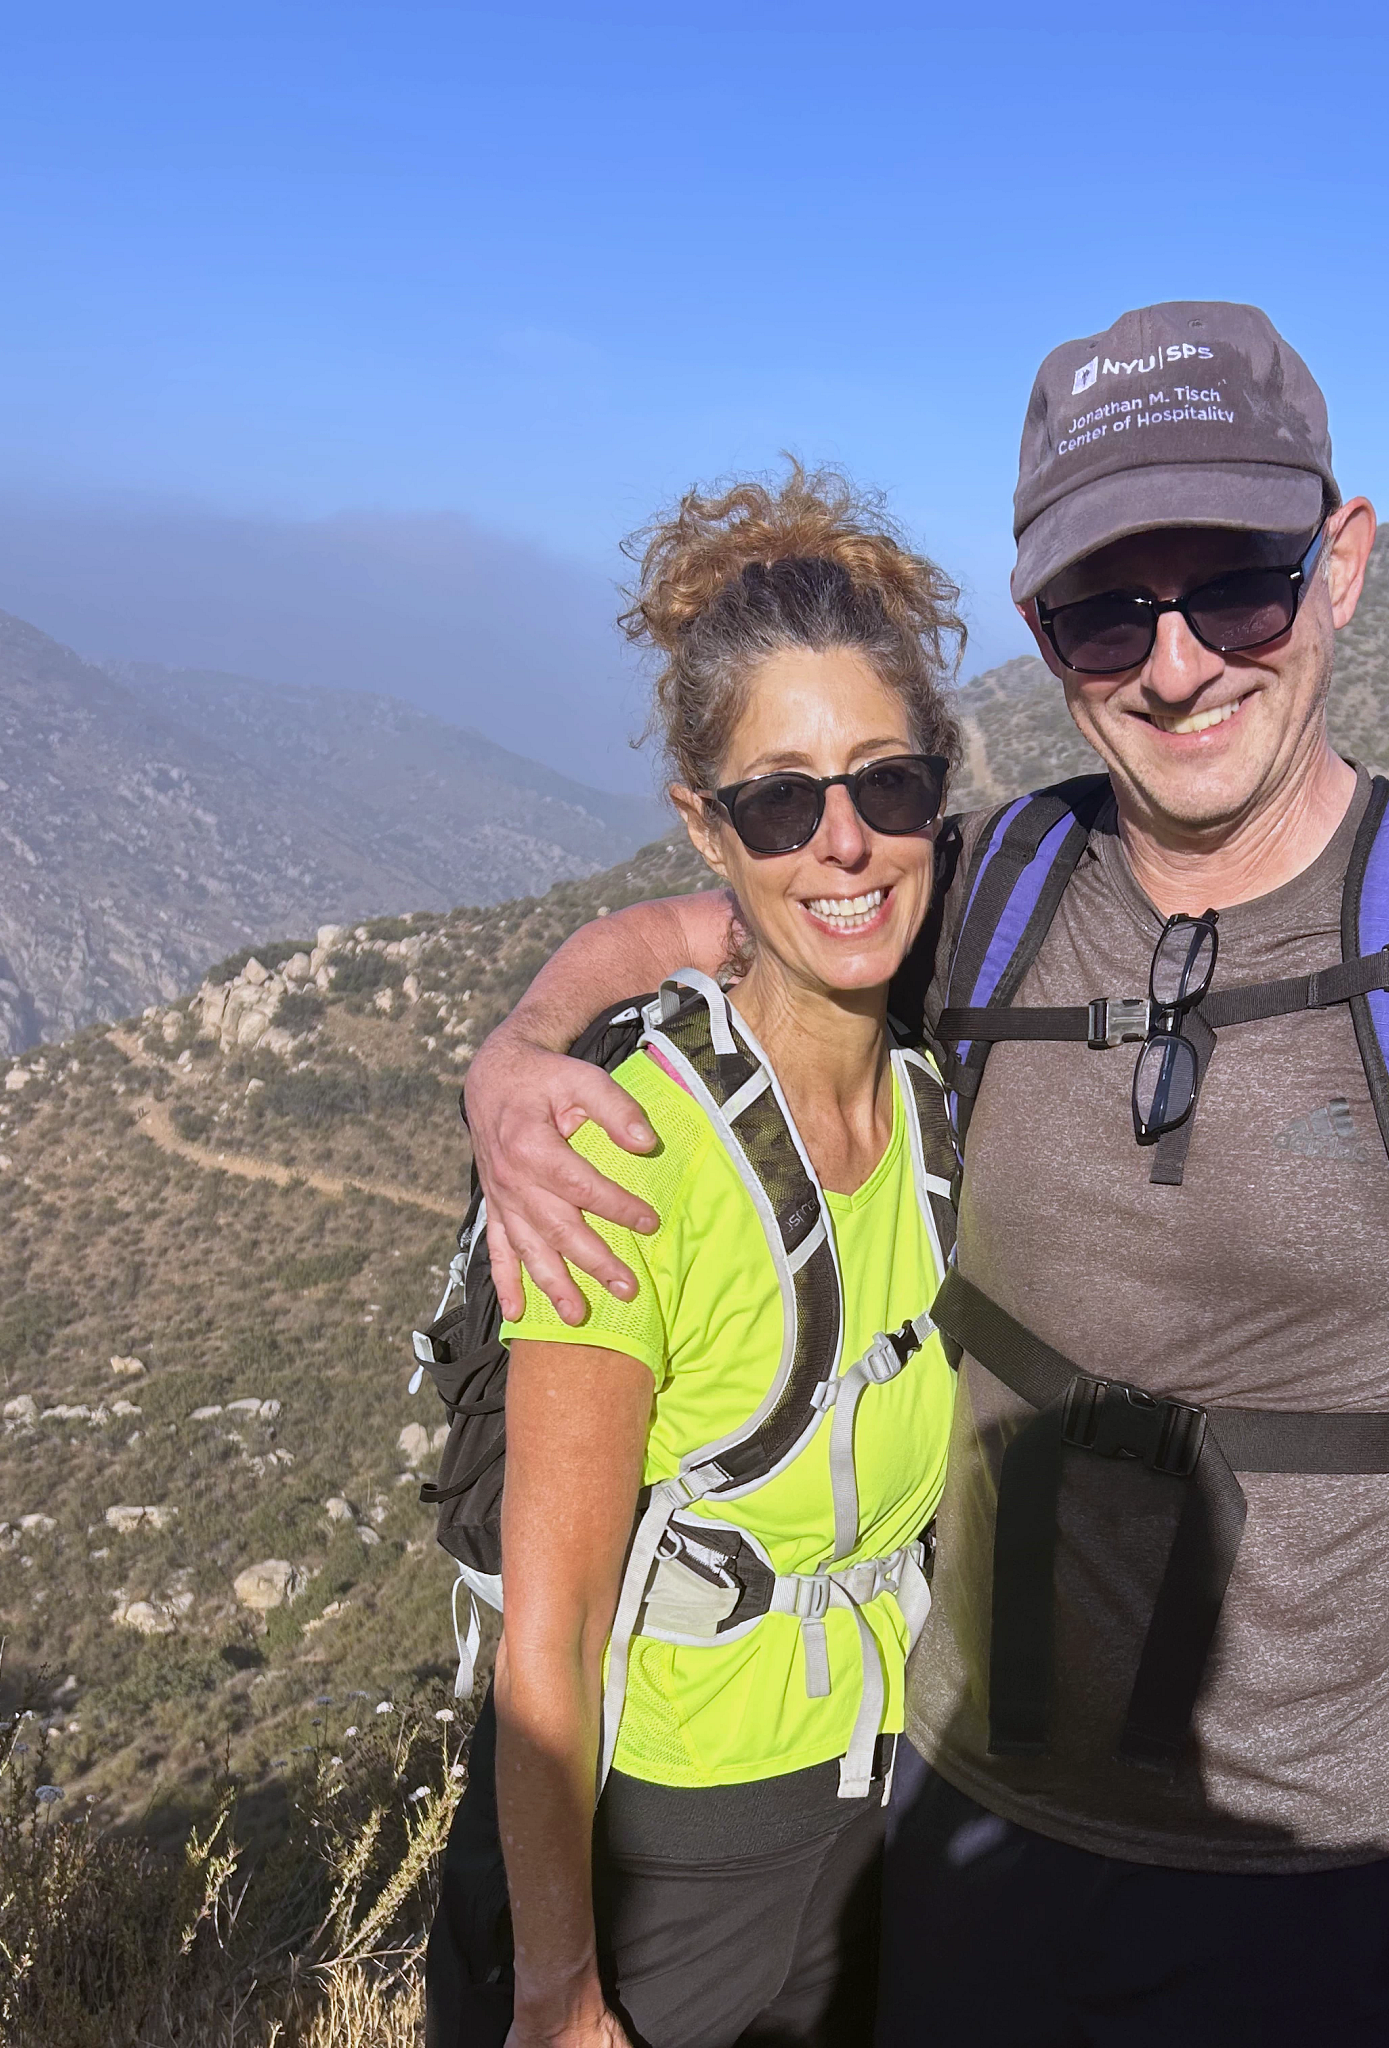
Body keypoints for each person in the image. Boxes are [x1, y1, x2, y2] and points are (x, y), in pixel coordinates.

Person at [460, 304, 1389, 2047]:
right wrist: (521, 1051)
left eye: (1238, 590)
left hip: (1318, 1883)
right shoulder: (996, 885)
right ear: (1044, 631)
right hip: (969, 1839)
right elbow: (747, 917)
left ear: (1342, 565)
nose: (1176, 667)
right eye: (1110, 610)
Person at [424, 465, 967, 2048]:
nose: (845, 844)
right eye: (781, 803)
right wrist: (559, 1990)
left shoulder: (937, 1091)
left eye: (886, 786)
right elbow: (552, 1634)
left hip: (873, 1823)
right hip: (665, 1854)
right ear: (706, 828)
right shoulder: (624, 1156)